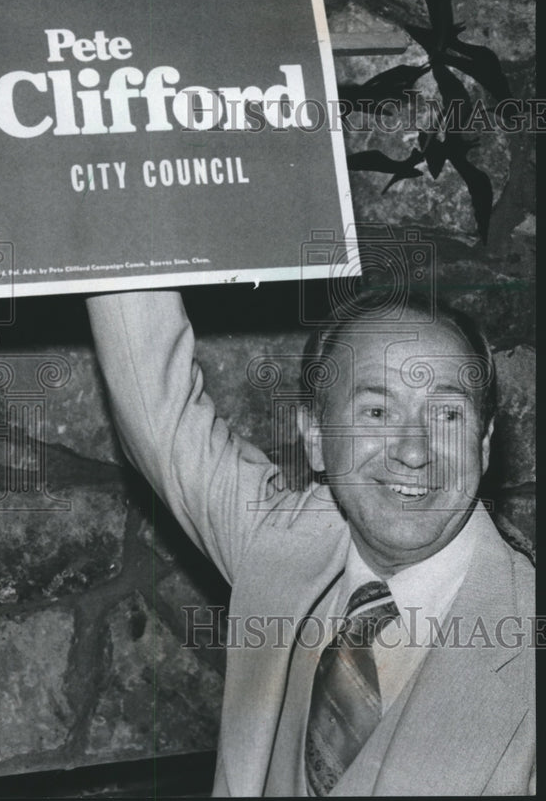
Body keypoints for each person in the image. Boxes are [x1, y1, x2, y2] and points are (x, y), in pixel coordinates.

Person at [87, 285, 534, 797]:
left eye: (448, 415)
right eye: (377, 412)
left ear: (483, 441)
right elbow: (157, 415)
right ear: (316, 437)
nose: (414, 451)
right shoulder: (283, 540)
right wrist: (118, 218)